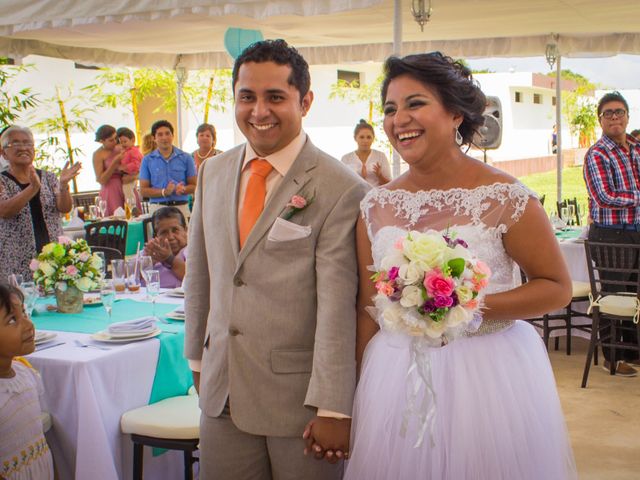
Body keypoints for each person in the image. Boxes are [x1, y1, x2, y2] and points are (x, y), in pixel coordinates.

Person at [338, 52, 577, 479]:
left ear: (454, 113)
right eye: (390, 109)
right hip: (395, 374)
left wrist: (462, 304)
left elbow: (556, 286)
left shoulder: (506, 195)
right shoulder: (374, 206)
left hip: (488, 377)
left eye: (415, 103)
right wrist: (355, 397)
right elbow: (367, 307)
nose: (399, 120)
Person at [184, 39, 368, 480]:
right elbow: (201, 274)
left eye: (275, 97)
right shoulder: (213, 170)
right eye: (247, 97)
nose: (258, 110)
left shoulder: (341, 187)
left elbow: (337, 305)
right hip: (221, 389)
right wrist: (196, 361)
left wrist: (334, 407)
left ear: (305, 101)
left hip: (298, 401)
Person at [583, 91, 640, 377]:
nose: (615, 117)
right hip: (610, 235)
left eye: (619, 112)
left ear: (628, 116)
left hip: (636, 232)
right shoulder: (597, 153)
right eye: (608, 113)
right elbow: (604, 196)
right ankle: (613, 358)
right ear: (601, 120)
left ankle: (633, 352)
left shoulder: (636, 148)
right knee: (612, 295)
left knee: (634, 294)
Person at [0, 126, 81, 281]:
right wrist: (33, 188)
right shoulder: (2, 180)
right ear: (4, 153)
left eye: (28, 143)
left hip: (53, 257)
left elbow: (64, 208)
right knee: (22, 302)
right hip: (16, 261)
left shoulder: (48, 177)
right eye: (15, 144)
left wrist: (63, 185)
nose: (23, 148)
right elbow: (4, 210)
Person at [0, 283, 54, 479]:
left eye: (24, 313)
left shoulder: (25, 372)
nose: (28, 324)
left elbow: (39, 441)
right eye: (13, 320)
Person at [139, 120, 196, 220]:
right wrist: (163, 192)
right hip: (157, 208)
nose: (164, 138)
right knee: (158, 236)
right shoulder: (147, 160)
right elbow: (143, 190)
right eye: (160, 134)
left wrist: (183, 189)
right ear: (154, 138)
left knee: (184, 236)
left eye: (167, 133)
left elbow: (195, 186)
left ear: (172, 136)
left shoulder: (186, 158)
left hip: (181, 208)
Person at [143, 206, 187, 288]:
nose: (170, 237)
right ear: (156, 236)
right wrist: (148, 262)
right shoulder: (151, 250)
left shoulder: (193, 251)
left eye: (175, 230)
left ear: (185, 230)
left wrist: (169, 259)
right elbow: (130, 278)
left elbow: (195, 278)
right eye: (164, 232)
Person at [341, 119, 391, 186]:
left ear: (373, 138)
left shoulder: (380, 156)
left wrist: (380, 176)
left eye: (369, 137)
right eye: (361, 137)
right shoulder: (346, 158)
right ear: (355, 138)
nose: (365, 141)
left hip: (376, 195)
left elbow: (390, 184)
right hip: (355, 196)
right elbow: (342, 184)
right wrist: (360, 178)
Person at [93, 124, 125, 216]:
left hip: (126, 185)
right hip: (110, 190)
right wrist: (114, 164)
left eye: (116, 138)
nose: (115, 142)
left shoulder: (121, 147)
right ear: (101, 141)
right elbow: (101, 180)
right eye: (111, 140)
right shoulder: (98, 154)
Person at [116, 127, 143, 210]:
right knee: (129, 190)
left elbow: (137, 164)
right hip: (129, 174)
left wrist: (124, 168)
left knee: (127, 190)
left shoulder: (134, 151)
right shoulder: (127, 151)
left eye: (125, 141)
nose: (123, 144)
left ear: (132, 140)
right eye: (121, 142)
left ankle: (132, 207)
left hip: (131, 174)